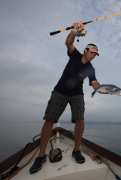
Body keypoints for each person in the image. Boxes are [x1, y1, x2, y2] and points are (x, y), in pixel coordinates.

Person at [29, 21, 101, 174]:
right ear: (86, 50)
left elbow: (94, 82)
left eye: (96, 54)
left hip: (77, 94)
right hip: (60, 91)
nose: (94, 55)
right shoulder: (75, 55)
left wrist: (100, 88)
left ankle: (76, 150)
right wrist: (75, 31)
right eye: (93, 52)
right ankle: (41, 156)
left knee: (80, 121)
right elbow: (68, 42)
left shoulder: (90, 68)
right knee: (49, 120)